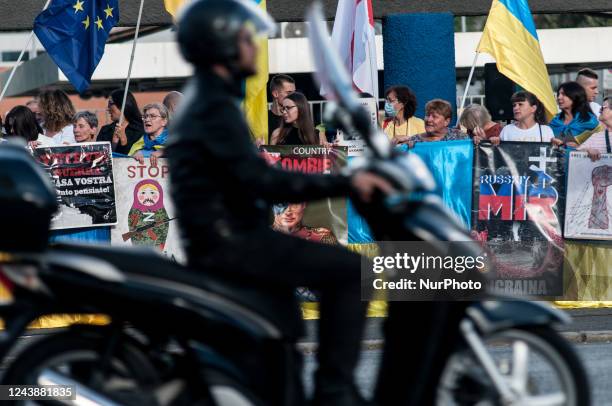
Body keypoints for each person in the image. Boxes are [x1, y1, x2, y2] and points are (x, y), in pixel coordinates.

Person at [166, 1, 394, 404]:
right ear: (223, 46)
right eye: (246, 38)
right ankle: (334, 390)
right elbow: (262, 181)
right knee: (349, 271)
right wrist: (344, 181)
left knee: (284, 328)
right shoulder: (213, 109)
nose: (255, 46)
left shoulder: (210, 101)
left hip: (228, 240)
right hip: (233, 245)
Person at [550, 81, 600, 146]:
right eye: (558, 94)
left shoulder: (590, 121)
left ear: (575, 96)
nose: (559, 97)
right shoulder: (553, 121)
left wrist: (580, 147)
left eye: (563, 94)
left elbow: (599, 145)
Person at [96, 89, 145, 155]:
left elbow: (132, 157)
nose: (107, 108)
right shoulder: (105, 131)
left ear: (122, 105)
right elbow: (98, 156)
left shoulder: (141, 131)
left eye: (110, 103)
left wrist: (123, 140)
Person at [401, 99, 469, 146]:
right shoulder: (414, 141)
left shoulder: (459, 137)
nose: (429, 120)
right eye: (427, 115)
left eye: (434, 116)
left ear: (446, 121)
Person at [272, 203, 338, 244]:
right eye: (280, 204)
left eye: (295, 203)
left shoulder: (322, 237)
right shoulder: (262, 236)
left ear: (304, 205)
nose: (288, 212)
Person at [129, 102, 169, 167]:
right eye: (145, 116)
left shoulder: (175, 141)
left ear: (164, 121)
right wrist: (133, 157)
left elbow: (188, 154)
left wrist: (164, 151)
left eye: (153, 116)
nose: (147, 119)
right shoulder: (138, 143)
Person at [578, 97, 612, 162]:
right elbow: (577, 151)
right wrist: (588, 150)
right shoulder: (596, 136)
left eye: (602, 108)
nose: (599, 111)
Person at [268, 74, 296, 140]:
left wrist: (321, 131)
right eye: (289, 93)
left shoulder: (296, 116)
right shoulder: (263, 120)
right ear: (275, 94)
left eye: (294, 93)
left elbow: (313, 126)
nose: (294, 96)